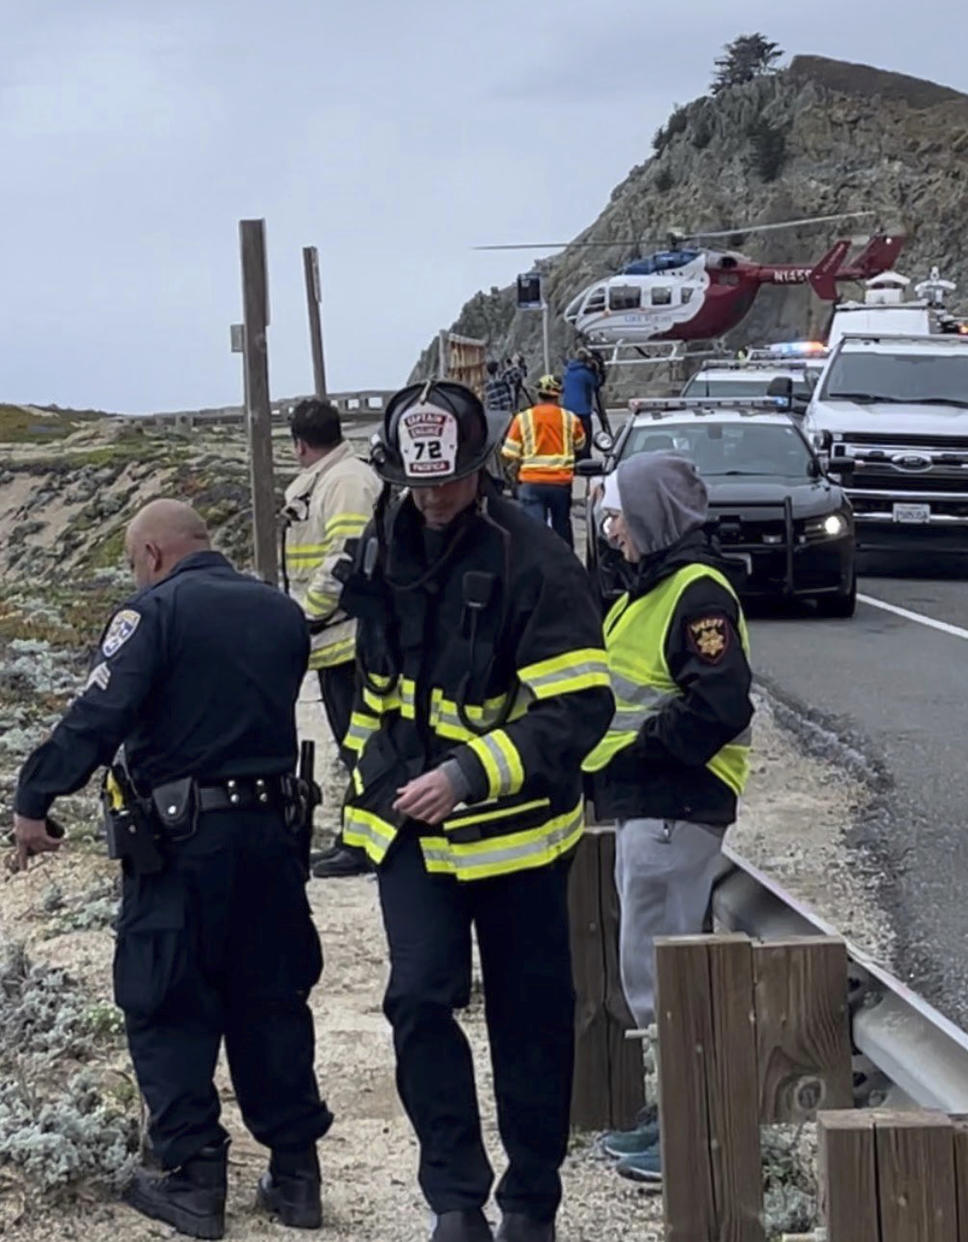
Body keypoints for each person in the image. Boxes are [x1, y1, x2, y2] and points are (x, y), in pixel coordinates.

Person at [335, 381, 612, 1242]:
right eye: (420, 485)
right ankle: (455, 1200)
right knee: (417, 1002)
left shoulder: (535, 560)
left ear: (480, 468)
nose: (435, 499)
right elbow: (375, 685)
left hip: (517, 838)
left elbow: (578, 708)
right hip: (412, 830)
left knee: (529, 1021)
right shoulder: (385, 545)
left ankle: (532, 1203)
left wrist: (467, 774)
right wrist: (372, 778)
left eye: (448, 482)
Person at [10, 499, 332, 1240]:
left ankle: (193, 1179)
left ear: (151, 555)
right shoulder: (279, 613)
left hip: (185, 845)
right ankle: (296, 1174)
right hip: (275, 837)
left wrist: (35, 795)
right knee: (272, 998)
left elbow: (98, 715)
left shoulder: (154, 614)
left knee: (167, 998)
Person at [582, 453, 753, 1189]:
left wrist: (637, 761)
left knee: (663, 978)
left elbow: (719, 703)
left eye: (619, 513)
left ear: (650, 514)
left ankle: (686, 1129)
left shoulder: (695, 593)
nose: (612, 528)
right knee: (650, 972)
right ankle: (670, 1112)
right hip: (649, 808)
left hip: (671, 804)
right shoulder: (647, 590)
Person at [282, 398, 382, 880]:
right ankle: (357, 837)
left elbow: (346, 559)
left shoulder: (344, 483)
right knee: (353, 745)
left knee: (362, 745)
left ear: (299, 443)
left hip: (350, 638)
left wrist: (307, 615)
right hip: (336, 640)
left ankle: (362, 843)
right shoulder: (334, 479)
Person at [501, 374, 585, 547]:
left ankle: (538, 568)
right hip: (560, 483)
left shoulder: (523, 418)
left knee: (534, 531)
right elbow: (580, 444)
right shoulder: (570, 418)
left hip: (531, 483)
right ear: (558, 394)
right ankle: (565, 565)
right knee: (562, 526)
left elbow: (509, 452)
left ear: (537, 394)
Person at [561, 348, 602, 454]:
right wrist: (595, 370)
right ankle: (585, 458)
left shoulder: (568, 372)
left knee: (571, 439)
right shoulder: (585, 373)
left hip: (568, 411)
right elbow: (596, 383)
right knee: (585, 439)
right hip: (582, 411)